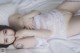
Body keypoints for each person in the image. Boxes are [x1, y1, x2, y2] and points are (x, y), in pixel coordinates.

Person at [9, 0, 80, 49]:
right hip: (65, 27)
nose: (9, 36)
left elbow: (37, 12)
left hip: (59, 12)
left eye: (5, 32)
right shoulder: (19, 42)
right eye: (6, 40)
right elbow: (48, 34)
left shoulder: (14, 22)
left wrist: (26, 17)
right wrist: (26, 32)